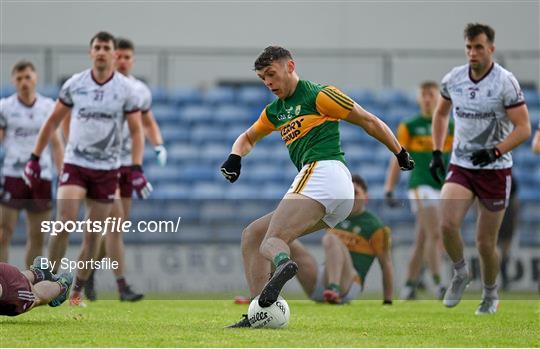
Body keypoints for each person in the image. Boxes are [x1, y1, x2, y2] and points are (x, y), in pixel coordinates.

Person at [221, 46, 414, 327]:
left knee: (271, 243)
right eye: (263, 78)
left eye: (272, 74)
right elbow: (247, 137)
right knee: (253, 235)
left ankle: (285, 264)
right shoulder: (275, 111)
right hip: (335, 194)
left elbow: (368, 121)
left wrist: (399, 151)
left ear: (290, 66)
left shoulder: (319, 95)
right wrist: (235, 157)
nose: (268, 83)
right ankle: (257, 313)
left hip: (324, 172)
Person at [23, 31, 151, 307]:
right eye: (97, 47)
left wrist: (137, 167)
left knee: (93, 235)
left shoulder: (126, 90)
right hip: (76, 164)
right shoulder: (75, 84)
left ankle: (75, 291)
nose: (102, 51)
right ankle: (48, 273)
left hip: (107, 170)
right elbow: (53, 121)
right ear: (90, 52)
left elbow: (136, 131)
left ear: (113, 53)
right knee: (64, 222)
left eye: (107, 47)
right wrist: (34, 156)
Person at [430, 23, 531, 315]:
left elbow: (523, 128)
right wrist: (438, 151)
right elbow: (440, 113)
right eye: (468, 47)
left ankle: (490, 293)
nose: (472, 53)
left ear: (491, 49)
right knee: (446, 224)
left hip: (495, 170)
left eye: (478, 47)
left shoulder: (505, 82)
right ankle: (461, 273)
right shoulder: (454, 79)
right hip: (462, 164)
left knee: (485, 243)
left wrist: (496, 151)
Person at [80, 37, 165, 302]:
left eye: (128, 57)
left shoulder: (139, 90)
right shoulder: (105, 88)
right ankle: (121, 285)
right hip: (106, 164)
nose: (124, 61)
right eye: (120, 56)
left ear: (133, 60)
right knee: (114, 223)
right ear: (113, 58)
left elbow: (147, 122)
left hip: (128, 164)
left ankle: (90, 272)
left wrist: (159, 145)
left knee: (116, 227)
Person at [384, 81, 453, 300]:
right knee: (435, 234)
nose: (427, 99)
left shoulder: (449, 126)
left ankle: (409, 285)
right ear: (418, 98)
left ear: (438, 98)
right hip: (420, 186)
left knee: (422, 239)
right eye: (423, 95)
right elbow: (397, 157)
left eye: (431, 94)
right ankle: (439, 283)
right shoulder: (410, 126)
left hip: (443, 187)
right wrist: (389, 188)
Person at [0, 61, 64, 266]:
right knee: (3, 232)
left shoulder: (47, 107)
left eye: (27, 77)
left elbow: (56, 144)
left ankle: (28, 285)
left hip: (41, 177)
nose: (24, 82)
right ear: (13, 81)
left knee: (37, 236)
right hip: (12, 175)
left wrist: (62, 173)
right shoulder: (5, 108)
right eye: (19, 79)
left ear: (35, 78)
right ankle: (3, 284)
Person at [0, 256, 73, 316]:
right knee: (18, 278)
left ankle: (61, 287)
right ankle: (38, 274)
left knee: (36, 297)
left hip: (10, 291)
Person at [497, 177, 519, 291]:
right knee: (496, 247)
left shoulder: (512, 179)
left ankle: (503, 278)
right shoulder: (510, 178)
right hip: (497, 209)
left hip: (505, 211)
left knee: (503, 248)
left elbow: (515, 200)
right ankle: (498, 279)